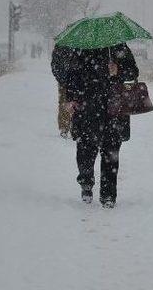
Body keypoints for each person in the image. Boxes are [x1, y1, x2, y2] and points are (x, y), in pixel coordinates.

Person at [51, 43, 139, 208]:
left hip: (115, 108)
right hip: (87, 107)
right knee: (86, 150)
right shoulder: (81, 47)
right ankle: (86, 182)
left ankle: (108, 195)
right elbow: (71, 76)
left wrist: (118, 71)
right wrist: (71, 99)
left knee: (111, 151)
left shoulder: (119, 48)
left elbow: (133, 73)